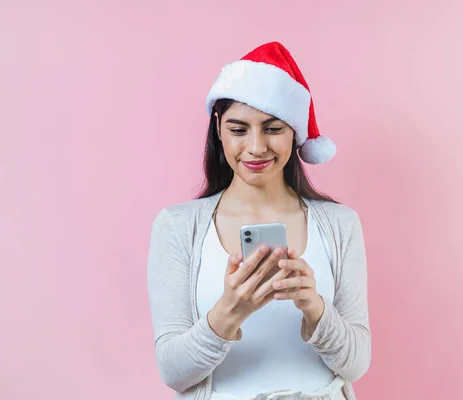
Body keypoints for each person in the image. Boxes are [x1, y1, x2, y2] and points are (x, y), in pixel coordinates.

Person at [147, 41, 371, 400]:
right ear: (218, 128)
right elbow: (173, 371)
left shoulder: (340, 224)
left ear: (295, 131)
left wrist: (314, 308)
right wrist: (230, 311)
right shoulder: (177, 226)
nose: (255, 147)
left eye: (272, 129)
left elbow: (356, 363)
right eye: (239, 130)